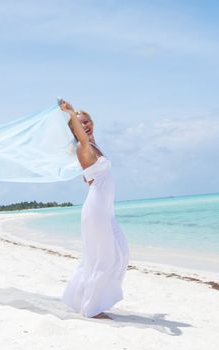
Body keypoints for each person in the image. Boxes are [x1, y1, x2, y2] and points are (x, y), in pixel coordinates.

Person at [59, 100, 129, 319]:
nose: (85, 126)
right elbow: (82, 139)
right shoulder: (83, 146)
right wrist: (70, 113)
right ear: (73, 129)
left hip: (106, 210)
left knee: (121, 253)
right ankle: (92, 308)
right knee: (103, 259)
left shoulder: (94, 145)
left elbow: (89, 178)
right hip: (96, 210)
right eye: (80, 124)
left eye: (87, 121)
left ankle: (87, 299)